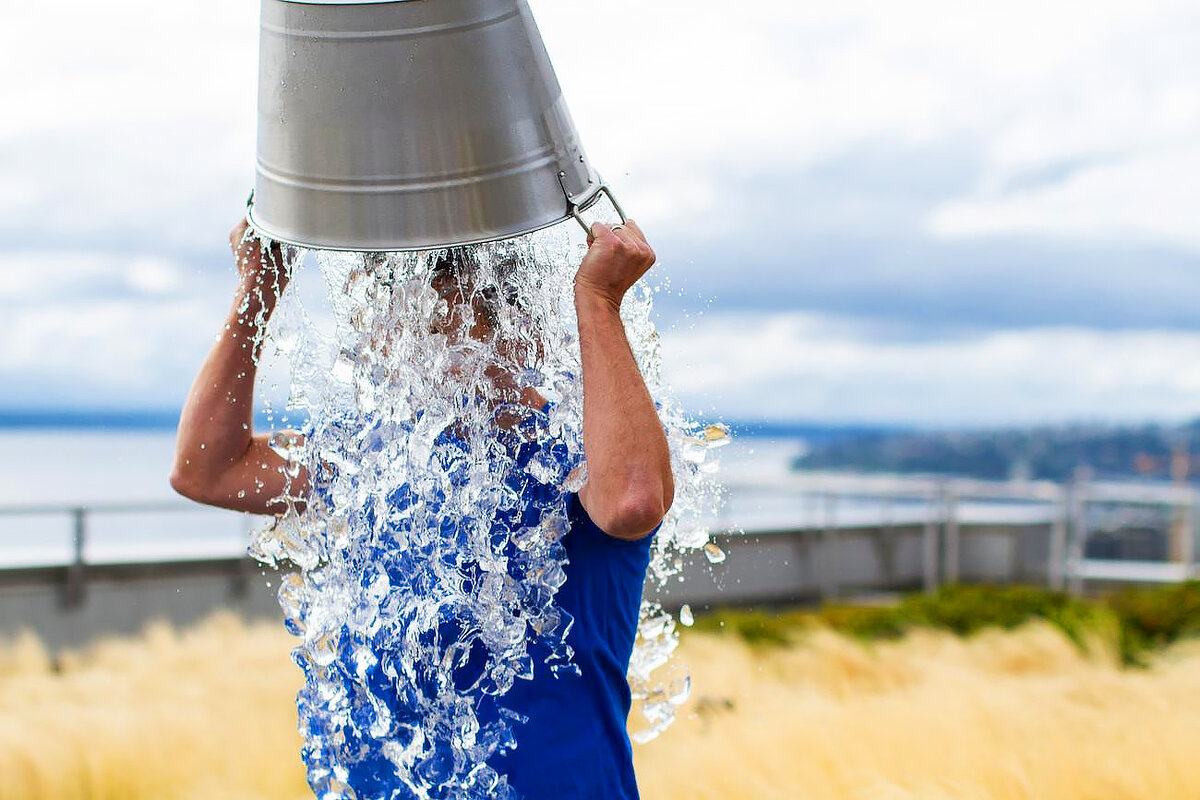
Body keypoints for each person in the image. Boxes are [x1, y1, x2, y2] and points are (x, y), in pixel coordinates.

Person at [170, 216, 675, 799]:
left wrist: (599, 299)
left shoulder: (574, 456)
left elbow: (635, 500)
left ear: (517, 329)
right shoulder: (383, 459)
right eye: (402, 326)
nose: (401, 352)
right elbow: (207, 468)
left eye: (433, 325)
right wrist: (259, 289)